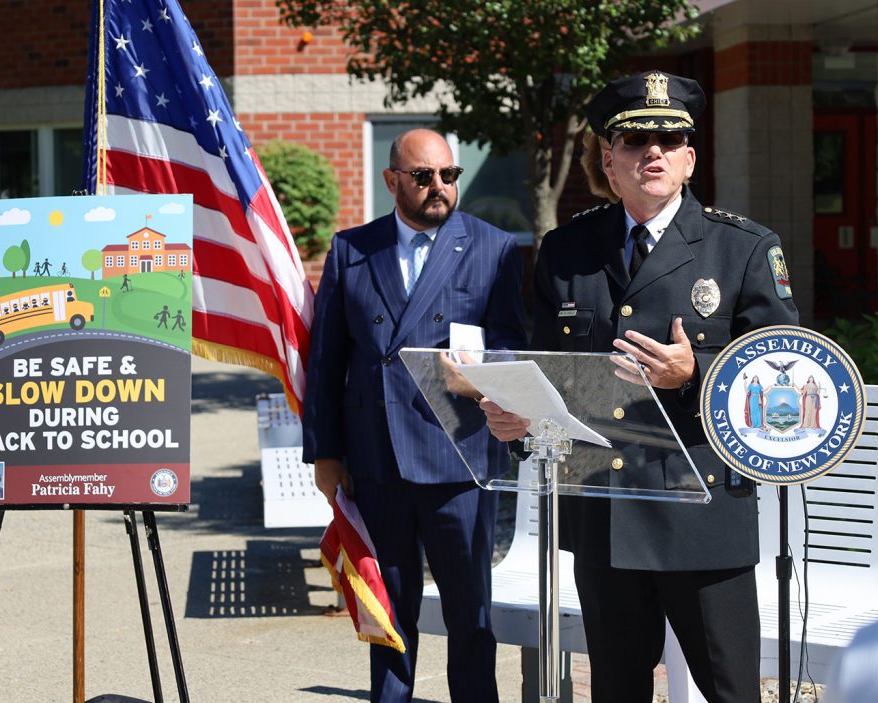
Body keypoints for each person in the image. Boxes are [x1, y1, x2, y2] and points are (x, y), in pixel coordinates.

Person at [482, 70, 800, 703]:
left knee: (732, 690)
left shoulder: (742, 249)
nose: (651, 152)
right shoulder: (567, 251)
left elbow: (779, 381)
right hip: (606, 505)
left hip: (704, 509)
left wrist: (697, 375)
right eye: (633, 142)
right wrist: (520, 421)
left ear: (688, 158)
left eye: (668, 140)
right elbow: (549, 371)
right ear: (609, 159)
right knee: (618, 690)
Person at [303, 128, 527, 703]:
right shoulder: (353, 249)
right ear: (392, 181)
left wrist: (479, 369)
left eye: (448, 176)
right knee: (390, 610)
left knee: (470, 612)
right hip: (377, 458)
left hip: (458, 456)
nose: (438, 187)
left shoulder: (493, 247)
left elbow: (512, 343)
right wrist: (325, 454)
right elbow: (326, 360)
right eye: (423, 176)